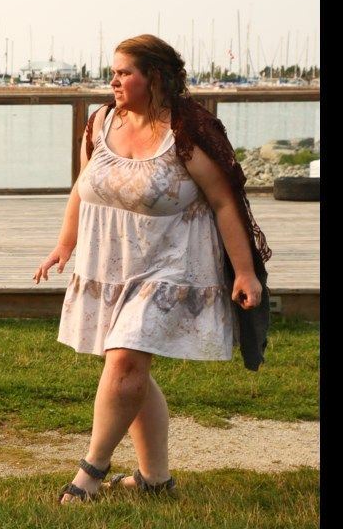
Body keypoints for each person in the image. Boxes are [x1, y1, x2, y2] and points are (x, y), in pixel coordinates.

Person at [33, 34, 271, 503]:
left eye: (125, 72)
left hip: (172, 263)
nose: (114, 80)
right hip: (112, 260)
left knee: (124, 359)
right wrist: (64, 244)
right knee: (130, 365)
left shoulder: (187, 130)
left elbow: (225, 203)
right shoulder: (101, 121)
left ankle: (90, 474)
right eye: (114, 71)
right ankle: (155, 481)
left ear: (154, 78)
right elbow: (82, 187)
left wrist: (244, 272)